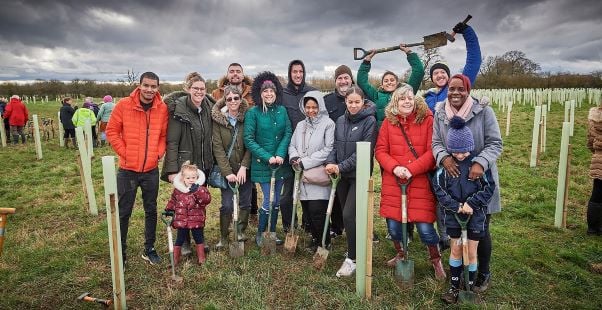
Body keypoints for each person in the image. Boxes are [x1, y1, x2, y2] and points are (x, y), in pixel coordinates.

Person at [432, 74, 502, 293]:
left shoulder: (483, 111)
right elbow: (435, 141)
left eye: (460, 89)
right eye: (452, 89)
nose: (455, 93)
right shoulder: (440, 113)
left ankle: (483, 272)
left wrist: (480, 162)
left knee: (480, 229)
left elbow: (495, 143)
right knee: (456, 231)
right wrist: (444, 157)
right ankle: (460, 274)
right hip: (452, 179)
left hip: (478, 179)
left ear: (468, 90)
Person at [374, 85, 446, 280]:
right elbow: (380, 150)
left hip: (419, 180)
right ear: (395, 102)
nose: (407, 101)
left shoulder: (427, 120)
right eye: (402, 98)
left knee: (425, 228)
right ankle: (400, 253)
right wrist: (396, 168)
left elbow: (433, 152)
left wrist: (411, 169)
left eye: (410, 98)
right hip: (394, 181)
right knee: (394, 227)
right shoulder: (389, 123)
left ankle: (435, 259)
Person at [106, 71, 168, 265]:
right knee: (124, 211)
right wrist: (125, 153)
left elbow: (164, 136)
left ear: (158, 88)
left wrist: (157, 154)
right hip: (127, 170)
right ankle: (121, 251)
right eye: (146, 85)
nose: (150, 90)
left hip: (150, 170)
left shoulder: (162, 108)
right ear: (139, 85)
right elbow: (111, 131)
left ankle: (149, 248)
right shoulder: (124, 105)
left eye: (153, 86)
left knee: (151, 209)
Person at [432, 116, 495, 304]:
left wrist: (471, 204)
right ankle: (454, 286)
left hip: (475, 217)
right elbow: (439, 190)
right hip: (453, 216)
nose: (460, 155)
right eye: (456, 152)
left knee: (472, 251)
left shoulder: (478, 166)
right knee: (456, 249)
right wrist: (455, 206)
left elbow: (489, 188)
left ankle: (469, 285)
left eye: (464, 151)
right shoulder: (445, 169)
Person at [161, 72, 215, 257]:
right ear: (188, 89)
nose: (199, 92)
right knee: (183, 205)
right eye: (195, 88)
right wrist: (172, 170)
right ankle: (183, 241)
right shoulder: (179, 109)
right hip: (186, 166)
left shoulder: (209, 107)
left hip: (203, 165)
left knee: (199, 204)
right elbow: (172, 141)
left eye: (202, 88)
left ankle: (199, 237)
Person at [325, 85, 376, 277]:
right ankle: (355, 247)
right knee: (349, 218)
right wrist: (331, 161)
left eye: (357, 102)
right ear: (345, 102)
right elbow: (336, 146)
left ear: (363, 102)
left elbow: (363, 152)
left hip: (359, 175)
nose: (353, 105)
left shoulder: (370, 121)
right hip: (342, 176)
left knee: (348, 215)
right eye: (350, 102)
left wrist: (340, 166)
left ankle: (353, 259)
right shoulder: (340, 120)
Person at [243, 71, 292, 247]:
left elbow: (287, 133)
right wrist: (268, 157)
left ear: (276, 92)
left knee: (277, 200)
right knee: (268, 199)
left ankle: (271, 232)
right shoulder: (253, 113)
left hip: (280, 164)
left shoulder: (282, 111)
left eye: (271, 90)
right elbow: (249, 139)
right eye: (265, 91)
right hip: (263, 165)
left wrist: (279, 154)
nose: (269, 94)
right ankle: (260, 233)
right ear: (260, 93)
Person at [211, 63, 259, 223]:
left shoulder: (252, 92)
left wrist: (244, 166)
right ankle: (230, 218)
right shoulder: (216, 93)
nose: (235, 74)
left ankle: (251, 214)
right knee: (227, 201)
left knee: (249, 188)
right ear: (227, 74)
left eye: (238, 71)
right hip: (227, 145)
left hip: (245, 149)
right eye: (232, 71)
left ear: (243, 74)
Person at [288, 91, 335, 252]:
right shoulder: (301, 125)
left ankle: (325, 241)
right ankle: (315, 239)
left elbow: (328, 148)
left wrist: (305, 162)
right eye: (308, 107)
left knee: (317, 211)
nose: (311, 110)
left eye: (314, 107)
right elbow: (292, 144)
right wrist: (294, 157)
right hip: (301, 175)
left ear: (320, 106)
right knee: (307, 211)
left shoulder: (328, 124)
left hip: (317, 174)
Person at [211, 85, 253, 249]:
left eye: (236, 98)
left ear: (240, 99)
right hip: (227, 171)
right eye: (229, 99)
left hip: (245, 170)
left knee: (245, 202)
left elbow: (251, 143)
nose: (233, 101)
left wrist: (244, 166)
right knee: (227, 204)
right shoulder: (219, 121)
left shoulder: (247, 118)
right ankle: (223, 236)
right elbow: (218, 148)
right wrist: (227, 172)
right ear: (225, 101)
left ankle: (240, 231)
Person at [281, 59, 318, 234]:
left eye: (301, 72)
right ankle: (290, 225)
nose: (298, 75)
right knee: (287, 193)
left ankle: (308, 224)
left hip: (310, 150)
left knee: (308, 189)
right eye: (294, 72)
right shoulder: (282, 93)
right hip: (290, 149)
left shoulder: (312, 92)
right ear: (290, 73)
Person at [357, 44, 424, 130]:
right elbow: (361, 81)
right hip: (382, 137)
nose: (389, 82)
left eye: (392, 80)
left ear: (397, 83)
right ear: (382, 84)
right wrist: (366, 61)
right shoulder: (376, 95)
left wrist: (409, 53)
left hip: (401, 136)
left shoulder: (406, 92)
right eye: (386, 81)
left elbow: (419, 71)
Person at [323, 65, 355, 237]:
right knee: (336, 192)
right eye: (339, 78)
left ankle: (361, 227)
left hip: (356, 154)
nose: (343, 81)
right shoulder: (327, 101)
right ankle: (337, 226)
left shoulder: (359, 97)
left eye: (346, 77)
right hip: (335, 153)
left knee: (358, 194)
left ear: (351, 79)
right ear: (335, 82)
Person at [424, 22, 481, 112]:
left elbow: (473, 62)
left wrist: (467, 32)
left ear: (448, 75)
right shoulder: (427, 97)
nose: (439, 75)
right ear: (432, 78)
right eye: (435, 73)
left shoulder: (457, 89)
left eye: (443, 72)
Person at [164, 161, 211, 265]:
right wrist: (169, 209)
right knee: (179, 239)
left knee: (199, 238)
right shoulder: (178, 190)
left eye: (193, 178)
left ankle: (201, 258)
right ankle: (175, 259)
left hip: (196, 220)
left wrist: (197, 191)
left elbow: (206, 200)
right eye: (188, 178)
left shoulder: (201, 189)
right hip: (182, 220)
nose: (191, 180)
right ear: (182, 178)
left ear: (197, 178)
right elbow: (173, 200)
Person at [587, 102, 602, 235]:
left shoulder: (595, 118)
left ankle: (593, 228)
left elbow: (590, 142)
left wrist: (597, 153)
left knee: (597, 194)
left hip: (599, 159)